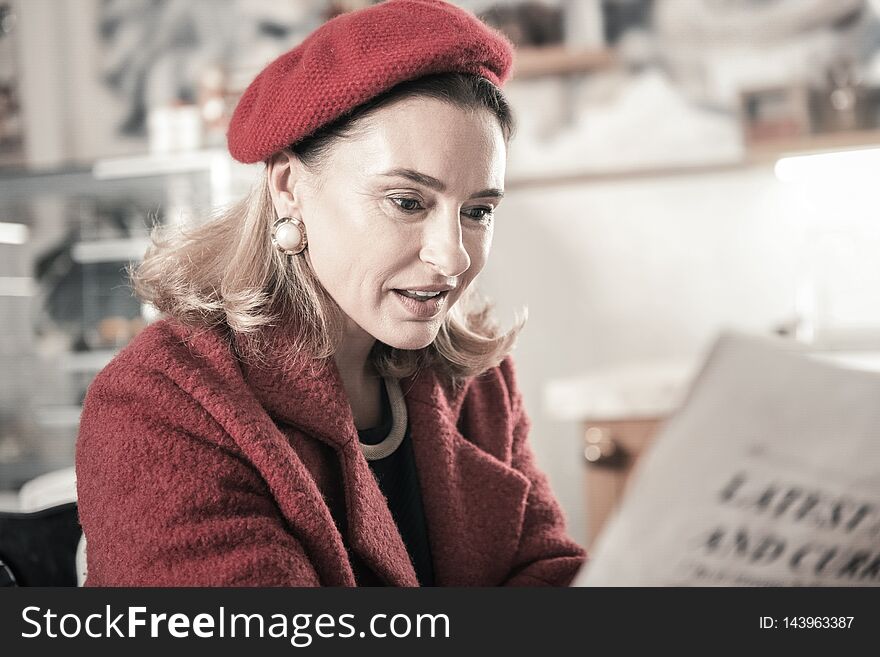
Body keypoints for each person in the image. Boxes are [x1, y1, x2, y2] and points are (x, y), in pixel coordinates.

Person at [75, 0, 586, 586]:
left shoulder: (477, 383)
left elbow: (546, 568)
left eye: (478, 211)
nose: (455, 255)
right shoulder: (162, 404)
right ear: (290, 188)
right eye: (407, 202)